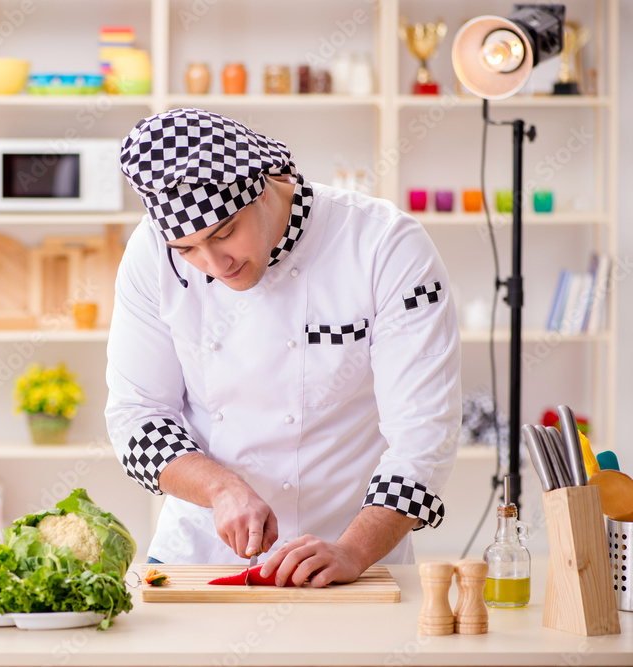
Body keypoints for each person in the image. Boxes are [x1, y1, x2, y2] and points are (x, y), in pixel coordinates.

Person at [104, 108, 462, 587]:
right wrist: (221, 489)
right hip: (198, 561)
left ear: (264, 186)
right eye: (186, 250)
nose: (212, 264)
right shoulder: (149, 255)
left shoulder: (383, 245)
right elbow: (137, 415)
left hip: (355, 562)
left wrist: (353, 552)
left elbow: (423, 436)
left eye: (224, 233)